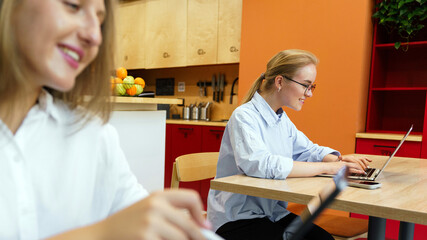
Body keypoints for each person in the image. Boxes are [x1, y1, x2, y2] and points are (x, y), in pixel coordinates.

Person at [0, 0, 209, 239]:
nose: (95, 36)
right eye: (73, 5)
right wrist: (101, 233)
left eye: (100, 21)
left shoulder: (93, 135)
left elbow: (141, 215)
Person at [207, 49, 371, 240]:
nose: (309, 94)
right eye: (305, 86)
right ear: (279, 82)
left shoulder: (280, 118)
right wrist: (330, 167)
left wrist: (340, 160)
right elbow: (260, 164)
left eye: (312, 87)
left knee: (323, 239)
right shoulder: (244, 116)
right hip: (236, 217)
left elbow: (308, 150)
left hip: (271, 213)